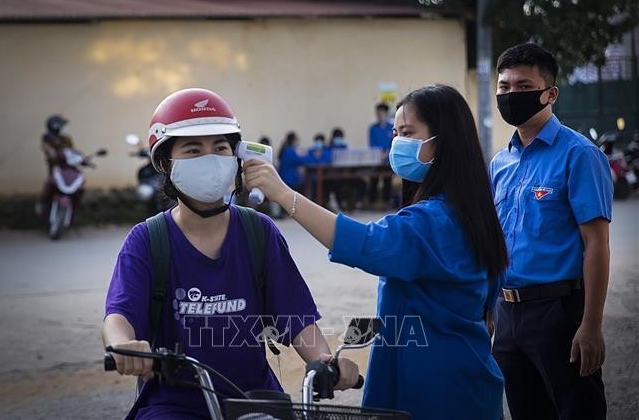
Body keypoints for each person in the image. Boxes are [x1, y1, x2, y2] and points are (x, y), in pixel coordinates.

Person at [244, 84, 508, 420]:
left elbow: (364, 243)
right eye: (395, 133)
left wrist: (284, 194)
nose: (397, 142)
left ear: (444, 140)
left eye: (408, 133)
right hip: (471, 377)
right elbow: (490, 310)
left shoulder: (431, 222)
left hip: (432, 391)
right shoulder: (473, 213)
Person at [102, 88, 358, 419]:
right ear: (165, 163)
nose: (210, 158)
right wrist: (123, 344)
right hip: (174, 406)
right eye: (193, 150)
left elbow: (297, 319)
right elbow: (118, 315)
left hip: (255, 400)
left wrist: (325, 362)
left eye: (220, 147)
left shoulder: (259, 232)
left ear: (235, 156)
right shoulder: (147, 240)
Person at [490, 43, 612, 420]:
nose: (512, 95)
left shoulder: (579, 155)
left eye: (523, 86)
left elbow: (597, 244)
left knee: (577, 410)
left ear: (550, 93)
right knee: (526, 412)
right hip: (507, 314)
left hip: (559, 313)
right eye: (504, 87)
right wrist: (489, 308)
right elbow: (496, 242)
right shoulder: (499, 163)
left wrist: (590, 325)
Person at [38, 114, 75, 217]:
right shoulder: (47, 137)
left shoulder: (66, 138)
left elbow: (72, 150)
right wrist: (52, 153)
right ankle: (43, 204)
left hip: (67, 167)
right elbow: (46, 148)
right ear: (55, 126)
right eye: (61, 125)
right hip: (55, 167)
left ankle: (71, 211)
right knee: (51, 184)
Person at [368, 103, 394, 208]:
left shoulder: (391, 127)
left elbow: (394, 142)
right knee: (374, 179)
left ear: (386, 113)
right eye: (378, 113)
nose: (380, 115)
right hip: (376, 159)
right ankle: (372, 202)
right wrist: (379, 154)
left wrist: (387, 153)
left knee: (388, 180)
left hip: (388, 160)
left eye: (382, 113)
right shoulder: (372, 128)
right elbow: (371, 144)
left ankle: (387, 202)